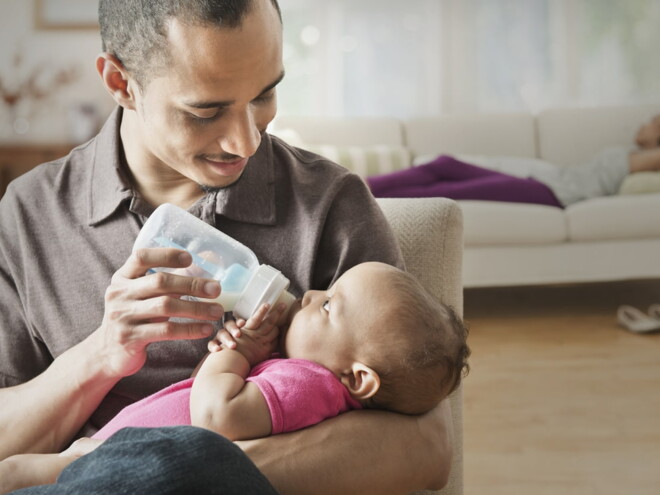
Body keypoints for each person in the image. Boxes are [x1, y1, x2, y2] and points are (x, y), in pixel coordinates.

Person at [0, 0, 455, 493]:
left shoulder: (329, 204)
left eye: (264, 95)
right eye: (206, 111)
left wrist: (175, 472)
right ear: (120, 83)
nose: (246, 142)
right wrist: (102, 353)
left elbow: (426, 448)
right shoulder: (29, 213)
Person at [0, 262, 470, 493]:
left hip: (125, 462)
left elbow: (215, 416)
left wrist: (240, 354)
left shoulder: (309, 384)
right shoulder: (306, 379)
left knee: (17, 474)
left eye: (328, 306)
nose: (309, 295)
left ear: (359, 379)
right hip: (112, 451)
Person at [367, 114, 660, 207]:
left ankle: (359, 189)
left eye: (653, 122)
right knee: (444, 165)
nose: (645, 123)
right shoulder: (628, 153)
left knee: (441, 186)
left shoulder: (640, 161)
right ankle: (361, 187)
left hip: (551, 192)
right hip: (543, 182)